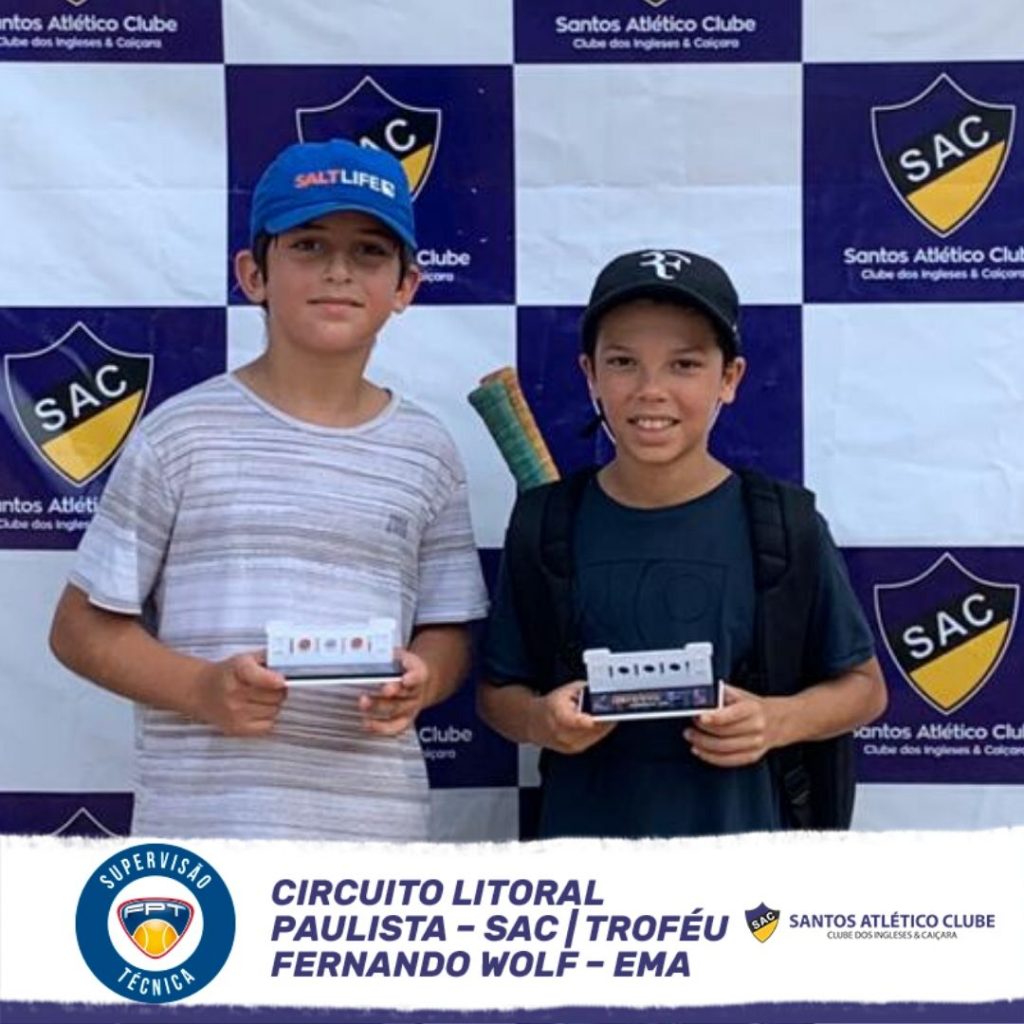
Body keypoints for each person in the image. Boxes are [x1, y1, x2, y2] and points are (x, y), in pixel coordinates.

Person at [49, 138, 488, 841]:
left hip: (373, 838)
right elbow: (79, 629)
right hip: (206, 836)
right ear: (253, 273)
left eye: (370, 251)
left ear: (406, 286)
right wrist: (200, 689)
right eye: (308, 245)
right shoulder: (179, 435)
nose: (339, 271)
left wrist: (425, 679)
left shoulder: (426, 450)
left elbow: (449, 630)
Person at [478, 249, 887, 838]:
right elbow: (497, 694)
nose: (651, 390)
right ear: (590, 374)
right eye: (624, 362)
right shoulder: (545, 522)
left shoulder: (783, 524)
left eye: (684, 365)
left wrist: (777, 719)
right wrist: (542, 720)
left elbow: (865, 690)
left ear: (730, 378)